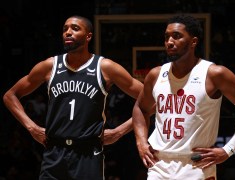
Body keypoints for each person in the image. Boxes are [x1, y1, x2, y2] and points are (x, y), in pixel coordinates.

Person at [3, 15, 143, 180]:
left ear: (88, 36)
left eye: (75, 28)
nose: (68, 32)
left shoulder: (105, 67)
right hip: (54, 152)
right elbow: (9, 96)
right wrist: (32, 128)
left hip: (88, 153)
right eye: (65, 29)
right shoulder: (50, 66)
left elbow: (153, 99)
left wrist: (120, 131)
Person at [132, 14, 235, 180]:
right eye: (166, 37)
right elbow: (140, 108)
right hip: (159, 165)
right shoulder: (155, 75)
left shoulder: (214, 74)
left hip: (196, 165)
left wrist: (229, 149)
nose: (169, 42)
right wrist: (141, 143)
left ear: (193, 42)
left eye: (176, 36)